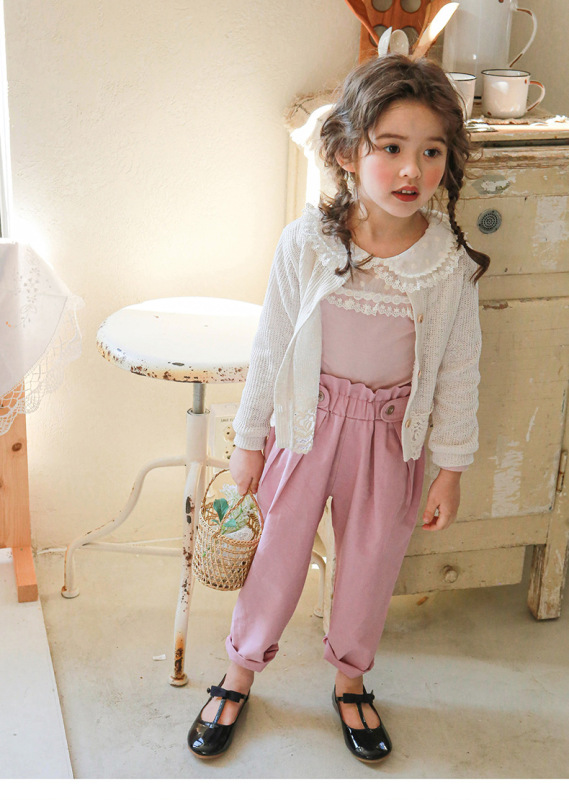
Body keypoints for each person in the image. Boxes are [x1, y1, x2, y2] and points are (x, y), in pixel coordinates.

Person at [187, 53, 489, 763]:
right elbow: (270, 347)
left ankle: (350, 678)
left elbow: (458, 370)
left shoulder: (446, 264)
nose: (411, 169)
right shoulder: (307, 245)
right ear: (349, 152)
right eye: (391, 147)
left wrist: (450, 469)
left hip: (389, 436)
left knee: (370, 564)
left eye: (431, 151)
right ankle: (239, 671)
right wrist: (249, 440)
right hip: (306, 425)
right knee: (277, 556)